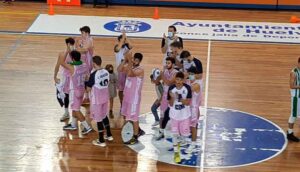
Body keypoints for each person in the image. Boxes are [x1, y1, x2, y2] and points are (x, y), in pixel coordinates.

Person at [60, 50, 92, 135]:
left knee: (76, 109)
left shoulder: (72, 67)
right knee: (75, 107)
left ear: (73, 58)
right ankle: (73, 124)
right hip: (81, 89)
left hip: (74, 91)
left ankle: (87, 127)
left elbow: (62, 62)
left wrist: (67, 51)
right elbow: (78, 63)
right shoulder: (84, 65)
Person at [86, 56, 113, 147]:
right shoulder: (106, 72)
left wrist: (86, 80)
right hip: (105, 98)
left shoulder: (94, 74)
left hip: (97, 100)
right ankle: (109, 135)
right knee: (104, 115)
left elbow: (88, 89)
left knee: (98, 119)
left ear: (94, 64)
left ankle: (101, 140)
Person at [119, 52, 145, 144]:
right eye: (134, 59)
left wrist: (129, 60)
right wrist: (125, 60)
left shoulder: (140, 69)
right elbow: (119, 69)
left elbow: (130, 73)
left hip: (134, 98)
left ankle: (135, 136)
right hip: (127, 96)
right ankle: (139, 130)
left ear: (140, 61)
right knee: (126, 115)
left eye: (136, 60)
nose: (135, 61)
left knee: (134, 118)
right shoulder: (131, 66)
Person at [168, 72, 192, 163]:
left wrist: (178, 97)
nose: (178, 81)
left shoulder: (187, 88)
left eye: (180, 80)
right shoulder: (171, 88)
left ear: (183, 80)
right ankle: (176, 153)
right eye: (176, 79)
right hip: (174, 115)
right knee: (175, 134)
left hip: (184, 116)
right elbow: (170, 104)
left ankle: (178, 143)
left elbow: (188, 103)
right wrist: (172, 98)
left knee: (184, 135)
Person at [53, 37, 75, 122]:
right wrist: (54, 76)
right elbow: (58, 65)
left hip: (74, 78)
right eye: (71, 44)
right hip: (66, 77)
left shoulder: (75, 54)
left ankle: (74, 117)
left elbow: (58, 65)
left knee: (73, 97)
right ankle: (66, 113)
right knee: (66, 95)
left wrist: (54, 76)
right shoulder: (62, 54)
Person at [156, 57, 178, 140]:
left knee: (174, 116)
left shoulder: (176, 73)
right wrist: (159, 76)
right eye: (166, 63)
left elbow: (169, 82)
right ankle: (161, 132)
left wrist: (162, 76)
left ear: (173, 64)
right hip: (165, 96)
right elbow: (157, 81)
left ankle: (177, 133)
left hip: (172, 97)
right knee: (162, 115)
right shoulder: (164, 71)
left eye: (168, 63)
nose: (167, 64)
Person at [185, 66, 202, 153]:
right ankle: (185, 138)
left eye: (192, 74)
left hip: (193, 108)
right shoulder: (187, 81)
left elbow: (188, 90)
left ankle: (193, 143)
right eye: (189, 73)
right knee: (185, 123)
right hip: (187, 107)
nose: (190, 75)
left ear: (195, 75)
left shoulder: (197, 85)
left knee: (193, 126)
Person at [115, 32, 133, 109]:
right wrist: (123, 38)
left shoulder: (126, 47)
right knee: (121, 90)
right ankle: (122, 103)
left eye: (124, 40)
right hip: (121, 71)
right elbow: (118, 48)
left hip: (127, 70)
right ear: (119, 41)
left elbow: (131, 45)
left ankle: (127, 103)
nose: (123, 41)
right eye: (122, 40)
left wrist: (126, 38)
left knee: (128, 88)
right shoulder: (116, 48)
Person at [287, 57, 300, 142]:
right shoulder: (294, 73)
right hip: (296, 97)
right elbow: (291, 86)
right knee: (294, 115)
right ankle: (290, 133)